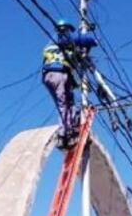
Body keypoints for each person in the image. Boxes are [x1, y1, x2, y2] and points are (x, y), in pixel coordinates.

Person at [42, 19, 98, 148]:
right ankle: (67, 134)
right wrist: (93, 41)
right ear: (65, 29)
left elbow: (71, 59)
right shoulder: (61, 38)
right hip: (58, 74)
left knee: (63, 105)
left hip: (48, 77)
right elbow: (79, 40)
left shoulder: (51, 45)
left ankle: (66, 131)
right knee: (65, 105)